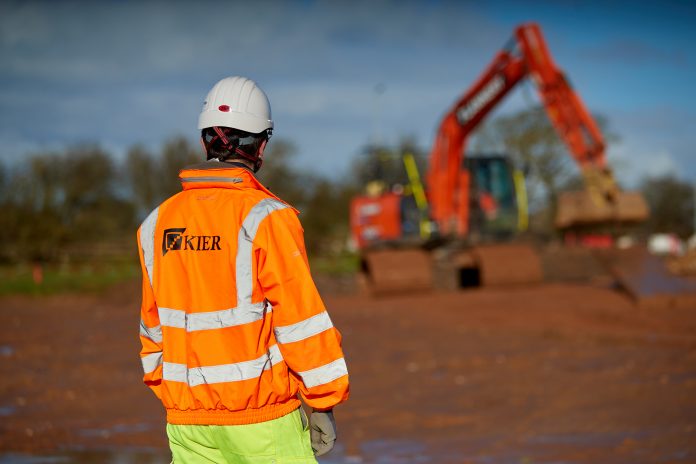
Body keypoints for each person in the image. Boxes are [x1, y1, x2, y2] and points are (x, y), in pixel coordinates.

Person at [136, 76, 349, 463]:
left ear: (205, 141)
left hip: (187, 422)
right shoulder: (267, 218)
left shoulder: (155, 223)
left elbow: (152, 330)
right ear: (261, 144)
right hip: (263, 422)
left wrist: (177, 395)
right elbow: (301, 322)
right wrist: (323, 402)